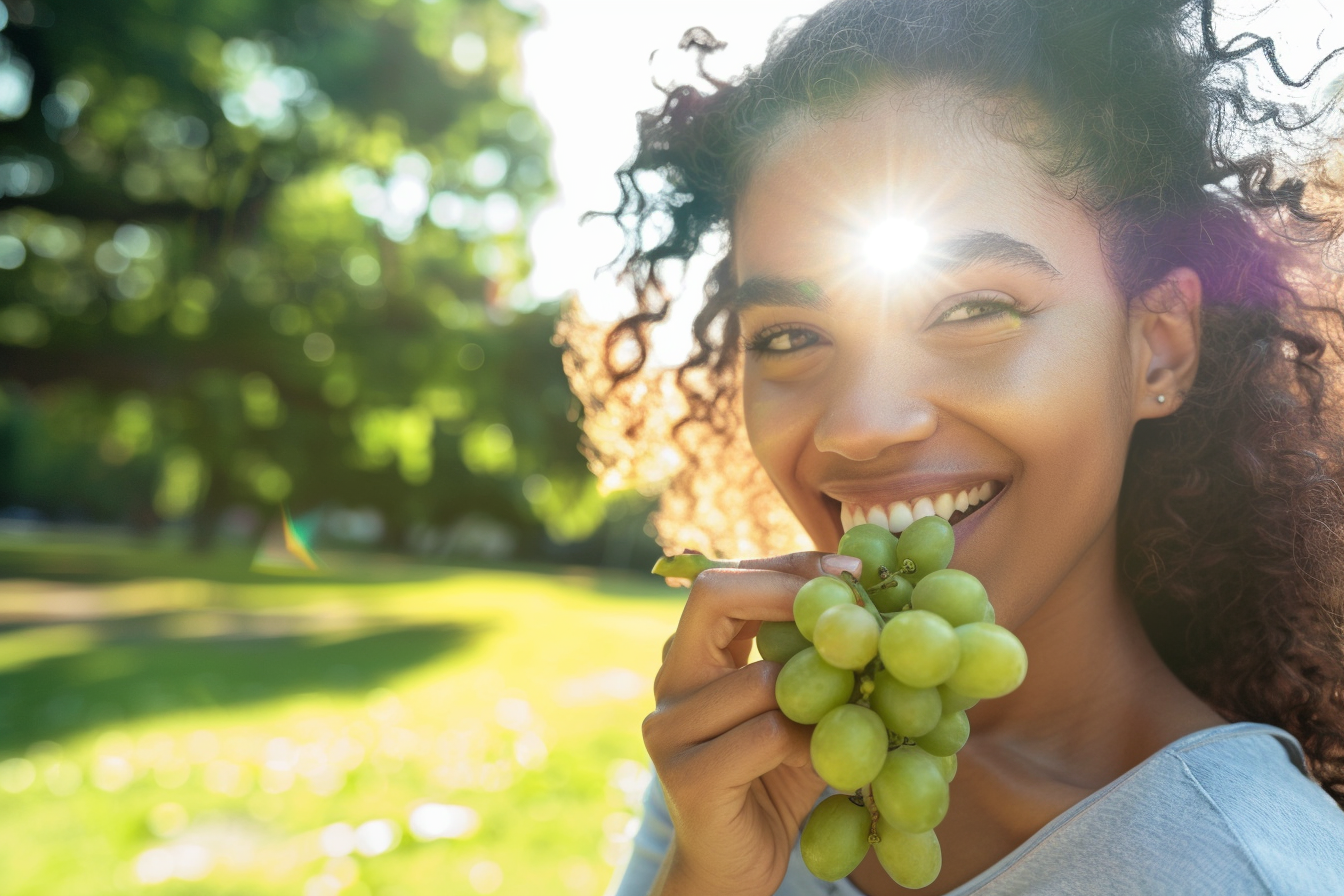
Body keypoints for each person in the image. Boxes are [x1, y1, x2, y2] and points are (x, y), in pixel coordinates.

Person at [564, 0, 1344, 893]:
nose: (860, 424)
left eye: (974, 310)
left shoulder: (1254, 869)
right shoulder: (742, 765)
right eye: (788, 336)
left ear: (1157, 349)